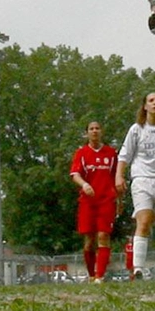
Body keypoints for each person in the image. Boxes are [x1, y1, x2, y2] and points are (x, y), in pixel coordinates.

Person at [71, 120, 118, 282]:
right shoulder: (81, 153)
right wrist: (84, 185)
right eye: (91, 129)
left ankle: (100, 276)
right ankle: (91, 275)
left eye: (97, 128)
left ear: (101, 131)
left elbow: (116, 178)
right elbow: (75, 174)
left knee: (104, 236)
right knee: (89, 240)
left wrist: (119, 199)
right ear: (87, 133)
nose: (95, 131)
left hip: (106, 200)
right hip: (88, 202)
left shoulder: (111, 153)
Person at [118, 92, 155, 279]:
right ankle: (138, 268)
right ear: (145, 106)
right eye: (151, 100)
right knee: (144, 221)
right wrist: (119, 176)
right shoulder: (136, 130)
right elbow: (124, 155)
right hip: (142, 179)